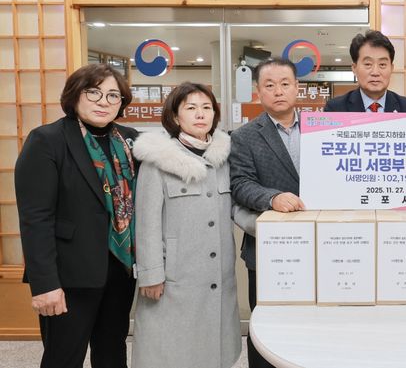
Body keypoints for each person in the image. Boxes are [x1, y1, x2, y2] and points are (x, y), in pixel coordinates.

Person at [15, 64, 138, 368]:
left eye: (113, 95)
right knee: (63, 358)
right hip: (68, 276)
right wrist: (45, 285)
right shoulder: (47, 140)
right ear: (75, 95)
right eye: (93, 92)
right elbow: (36, 219)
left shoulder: (131, 140)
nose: (104, 101)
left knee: (112, 354)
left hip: (120, 270)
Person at [131, 82, 241, 368]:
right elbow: (146, 222)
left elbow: (236, 209)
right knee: (171, 351)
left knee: (214, 351)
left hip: (217, 276)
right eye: (191, 108)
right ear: (175, 116)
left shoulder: (223, 159)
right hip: (175, 277)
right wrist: (150, 274)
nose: (200, 114)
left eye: (206, 107)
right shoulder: (158, 161)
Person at [229, 57, 305, 368]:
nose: (278, 91)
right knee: (266, 330)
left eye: (285, 83)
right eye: (269, 85)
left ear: (297, 87)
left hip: (323, 244)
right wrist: (272, 198)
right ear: (258, 92)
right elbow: (240, 184)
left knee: (313, 327)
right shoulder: (244, 136)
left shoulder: (324, 128)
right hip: (270, 249)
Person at [324, 29, 406, 113]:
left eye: (382, 64)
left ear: (391, 68)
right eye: (368, 64)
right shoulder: (335, 109)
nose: (375, 72)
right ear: (354, 68)